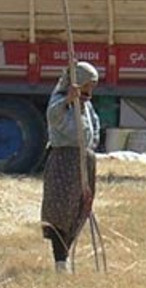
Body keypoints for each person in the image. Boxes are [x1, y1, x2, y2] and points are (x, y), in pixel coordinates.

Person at [41, 61, 101, 274]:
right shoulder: (59, 100)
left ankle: (64, 257)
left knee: (79, 209)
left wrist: (90, 152)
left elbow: (94, 128)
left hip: (83, 161)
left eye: (92, 86)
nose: (89, 90)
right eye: (87, 85)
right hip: (64, 161)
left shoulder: (87, 105)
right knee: (61, 211)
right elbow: (53, 117)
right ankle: (60, 261)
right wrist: (69, 99)